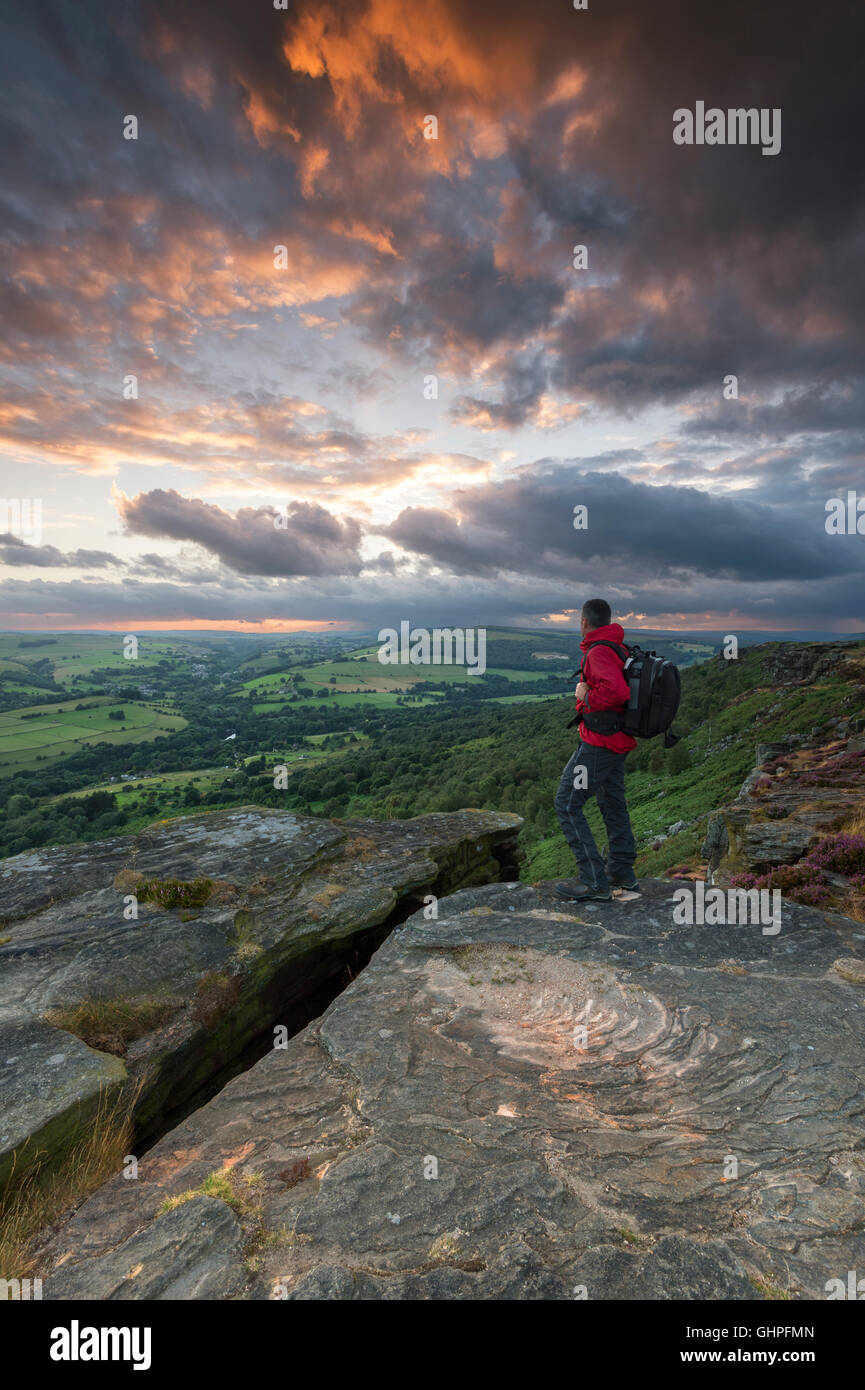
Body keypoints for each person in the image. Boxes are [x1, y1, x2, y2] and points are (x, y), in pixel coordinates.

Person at [553, 598, 637, 901]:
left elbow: (617, 691)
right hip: (616, 742)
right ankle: (622, 873)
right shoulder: (616, 646)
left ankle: (594, 882)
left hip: (600, 743)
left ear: (584, 622)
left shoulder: (599, 651)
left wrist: (585, 695)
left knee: (567, 803)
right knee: (611, 801)